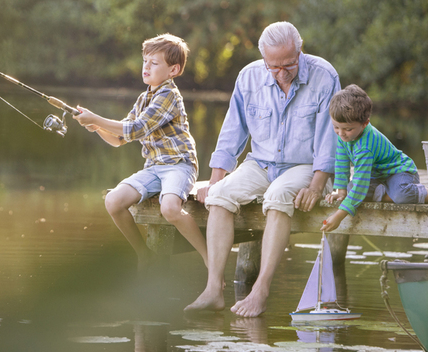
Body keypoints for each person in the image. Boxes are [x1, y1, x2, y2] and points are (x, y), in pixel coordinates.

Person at [185, 21, 340, 317]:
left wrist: (317, 185)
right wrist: (214, 180)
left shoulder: (324, 76)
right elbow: (232, 132)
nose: (281, 73)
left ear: (300, 49)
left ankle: (260, 290)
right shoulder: (249, 77)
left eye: (289, 64)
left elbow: (328, 139)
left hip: (304, 165)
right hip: (260, 163)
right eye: (274, 66)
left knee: (278, 196)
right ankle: (213, 289)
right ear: (264, 59)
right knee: (220, 196)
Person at [73, 34, 207, 273]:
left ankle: (209, 258)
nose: (146, 67)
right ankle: (145, 256)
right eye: (145, 61)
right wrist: (96, 127)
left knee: (170, 208)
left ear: (173, 70)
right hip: (154, 168)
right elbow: (119, 139)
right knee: (113, 201)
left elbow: (136, 129)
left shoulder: (169, 95)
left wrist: (96, 118)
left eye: (154, 63)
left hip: (179, 165)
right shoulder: (144, 98)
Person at [320, 84, 428, 232]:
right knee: (351, 189)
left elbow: (360, 185)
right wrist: (340, 191)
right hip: (377, 177)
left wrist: (339, 215)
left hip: (399, 172)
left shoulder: (365, 147)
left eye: (348, 129)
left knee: (400, 195)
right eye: (336, 127)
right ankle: (389, 191)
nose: (341, 133)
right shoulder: (343, 136)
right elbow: (341, 161)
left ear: (365, 123)